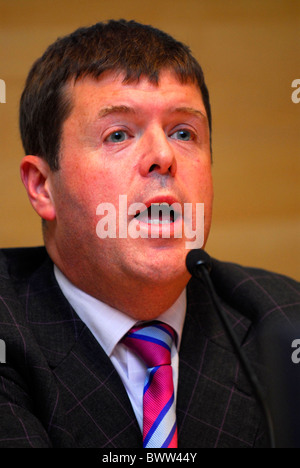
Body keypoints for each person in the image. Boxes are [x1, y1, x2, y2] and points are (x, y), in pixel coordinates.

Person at [0, 19, 299, 449]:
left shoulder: (285, 324)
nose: (163, 155)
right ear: (43, 187)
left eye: (183, 133)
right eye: (118, 134)